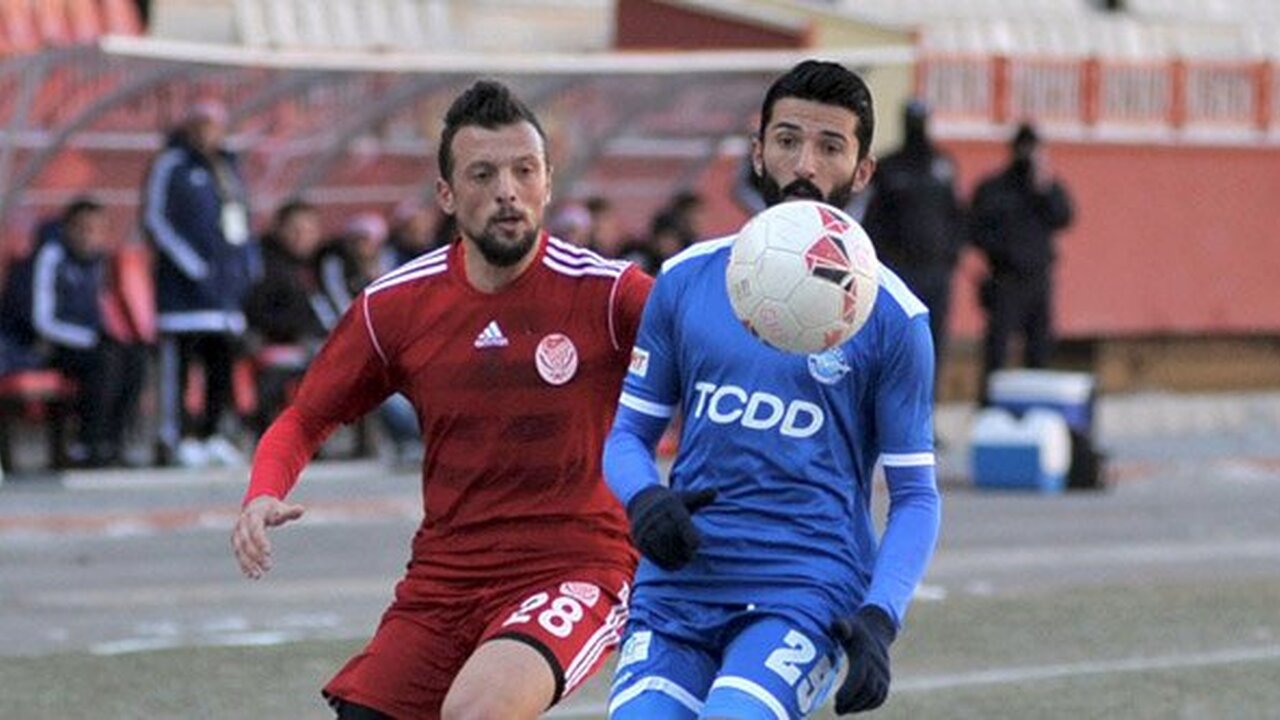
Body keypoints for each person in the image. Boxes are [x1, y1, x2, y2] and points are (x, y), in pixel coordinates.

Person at [230, 79, 654, 720]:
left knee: (477, 712)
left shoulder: (611, 294)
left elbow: (716, 365)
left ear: (546, 183)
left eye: (525, 170)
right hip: (446, 579)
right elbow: (307, 417)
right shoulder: (395, 306)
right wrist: (263, 490)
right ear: (447, 195)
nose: (507, 190)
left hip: (577, 568)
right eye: (483, 174)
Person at [604, 60, 942, 719]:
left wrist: (881, 615)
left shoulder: (894, 317)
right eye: (787, 140)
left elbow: (915, 495)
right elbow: (627, 436)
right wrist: (644, 499)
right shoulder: (685, 280)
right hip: (679, 585)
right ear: (757, 152)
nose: (805, 165)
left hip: (805, 591)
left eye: (830, 147)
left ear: (862, 171)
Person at [143, 98, 257, 468]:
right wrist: (192, 265)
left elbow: (241, 220)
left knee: (220, 365)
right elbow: (156, 220)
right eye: (201, 125)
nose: (208, 134)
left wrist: (245, 265)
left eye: (214, 126)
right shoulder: (171, 165)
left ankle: (213, 434)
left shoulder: (228, 167)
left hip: (224, 293)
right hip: (184, 294)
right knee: (180, 365)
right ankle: (176, 437)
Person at [0, 198, 147, 467]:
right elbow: (41, 320)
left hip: (83, 342)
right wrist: (88, 339)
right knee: (104, 360)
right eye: (84, 229)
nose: (90, 237)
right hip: (41, 346)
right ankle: (87, 444)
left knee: (133, 358)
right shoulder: (49, 257)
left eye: (97, 230)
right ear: (68, 228)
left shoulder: (97, 262)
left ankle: (112, 442)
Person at [862, 98, 965, 387]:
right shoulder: (888, 168)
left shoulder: (942, 165)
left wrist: (952, 255)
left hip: (936, 270)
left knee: (934, 341)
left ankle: (928, 402)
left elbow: (957, 214)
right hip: (899, 271)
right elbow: (874, 220)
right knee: (895, 338)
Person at [970, 122, 1074, 398]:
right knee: (998, 351)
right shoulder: (994, 188)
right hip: (1005, 279)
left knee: (1039, 349)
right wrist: (1003, 252)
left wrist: (1044, 187)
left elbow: (1064, 216)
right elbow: (974, 229)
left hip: (1038, 279)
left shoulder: (1044, 187)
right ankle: (990, 406)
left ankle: (1035, 406)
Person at [242, 199, 329, 432]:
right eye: (295, 229)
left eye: (309, 230)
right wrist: (300, 333)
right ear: (279, 229)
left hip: (313, 342)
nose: (302, 237)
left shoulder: (318, 264)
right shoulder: (265, 266)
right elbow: (258, 313)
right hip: (279, 344)